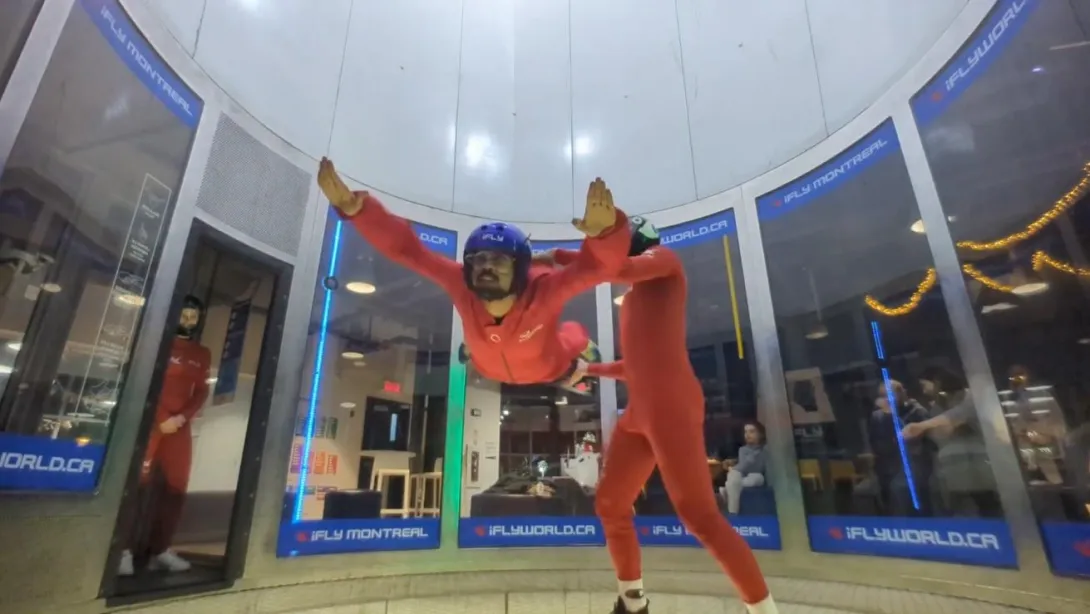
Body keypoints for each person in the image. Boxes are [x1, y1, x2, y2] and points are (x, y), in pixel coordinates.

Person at [537, 217, 776, 614]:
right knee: (611, 504)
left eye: (611, 239)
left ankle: (765, 611)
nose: (604, 247)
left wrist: (559, 256)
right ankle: (634, 604)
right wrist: (587, 369)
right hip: (641, 411)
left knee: (700, 515)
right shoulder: (633, 296)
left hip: (671, 407)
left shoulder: (665, 260)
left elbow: (614, 266)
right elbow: (637, 364)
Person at [317, 158, 629, 386]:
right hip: (487, 366)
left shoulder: (546, 290)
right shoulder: (458, 281)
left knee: (571, 336)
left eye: (499, 260)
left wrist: (606, 234)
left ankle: (580, 341)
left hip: (549, 368)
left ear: (521, 269)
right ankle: (476, 344)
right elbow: (408, 251)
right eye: (478, 259)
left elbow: (600, 267)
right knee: (481, 346)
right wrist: (357, 211)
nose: (487, 266)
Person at [120, 295, 211, 576]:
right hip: (150, 423)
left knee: (176, 488)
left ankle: (160, 549)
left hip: (179, 429)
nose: (187, 321)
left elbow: (202, 391)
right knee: (135, 483)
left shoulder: (202, 353)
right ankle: (120, 550)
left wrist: (182, 418)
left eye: (193, 317)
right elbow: (144, 380)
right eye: (183, 315)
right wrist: (161, 418)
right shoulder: (156, 344)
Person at [720, 421, 768, 515]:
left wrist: (734, 468)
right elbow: (744, 466)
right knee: (735, 475)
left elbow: (758, 467)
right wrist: (735, 468)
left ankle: (727, 488)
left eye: (752, 431)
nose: (748, 434)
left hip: (757, 476)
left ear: (761, 434)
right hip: (744, 476)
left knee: (754, 477)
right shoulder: (743, 450)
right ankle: (733, 511)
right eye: (746, 432)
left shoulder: (765, 449)